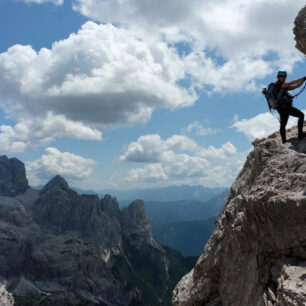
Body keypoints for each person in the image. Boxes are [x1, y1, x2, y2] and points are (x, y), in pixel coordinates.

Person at [275, 71, 305, 143]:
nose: (283, 77)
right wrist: (303, 78)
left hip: (286, 107)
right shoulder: (279, 84)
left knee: (301, 115)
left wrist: (304, 80)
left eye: (284, 76)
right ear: (278, 77)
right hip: (283, 108)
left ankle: (300, 135)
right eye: (281, 76)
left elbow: (296, 86)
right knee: (283, 124)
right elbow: (292, 83)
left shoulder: (285, 86)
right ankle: (284, 141)